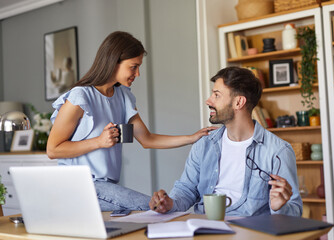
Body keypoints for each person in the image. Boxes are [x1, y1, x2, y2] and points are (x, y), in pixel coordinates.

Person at [46, 31, 216, 211]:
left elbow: (147, 139)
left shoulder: (123, 96)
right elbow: (53, 149)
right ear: (114, 62)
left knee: (156, 211)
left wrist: (192, 137)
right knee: (154, 210)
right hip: (79, 186)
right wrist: (98, 142)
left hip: (106, 187)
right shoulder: (80, 96)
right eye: (133, 67)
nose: (138, 73)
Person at [149, 67, 302, 217]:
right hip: (205, 227)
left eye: (216, 95)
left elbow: (294, 210)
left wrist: (279, 208)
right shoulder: (204, 143)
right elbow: (187, 189)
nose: (208, 101)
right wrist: (170, 203)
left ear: (238, 102)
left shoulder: (278, 151)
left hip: (250, 232)